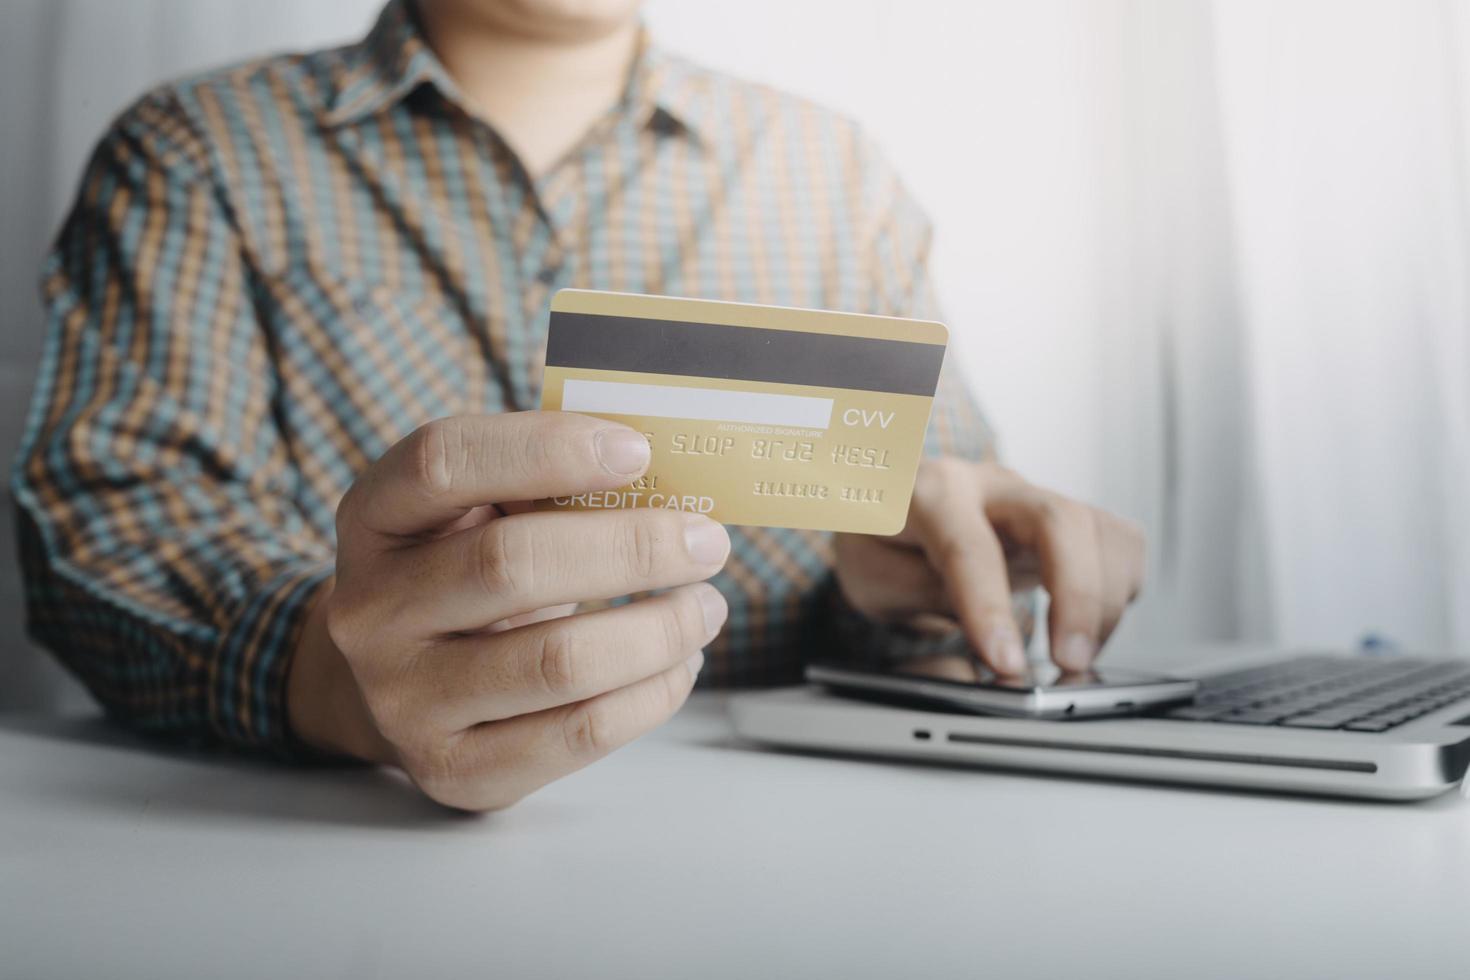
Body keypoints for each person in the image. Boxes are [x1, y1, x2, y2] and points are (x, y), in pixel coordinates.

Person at [11, 0, 1144, 811]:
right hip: (327, 847)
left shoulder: (833, 174)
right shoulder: (202, 150)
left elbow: (937, 556)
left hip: (790, 845)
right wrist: (336, 679)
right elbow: (113, 517)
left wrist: (908, 591)